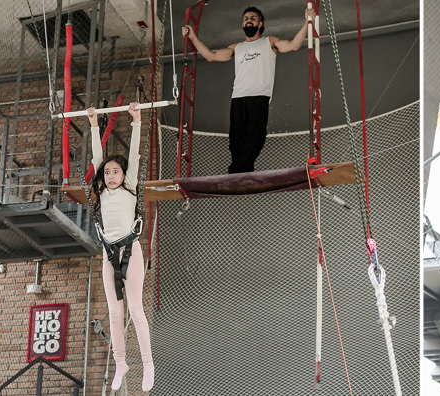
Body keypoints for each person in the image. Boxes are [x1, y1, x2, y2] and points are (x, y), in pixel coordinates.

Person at [182, 6, 315, 173]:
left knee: (255, 136)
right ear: (242, 24)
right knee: (236, 140)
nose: (248, 20)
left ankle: (237, 171)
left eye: (253, 18)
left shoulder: (270, 42)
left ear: (260, 24)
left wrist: (307, 22)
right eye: (245, 18)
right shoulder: (236, 47)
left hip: (259, 96)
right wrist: (192, 37)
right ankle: (243, 171)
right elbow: (210, 56)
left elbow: (294, 46)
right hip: (238, 97)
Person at [86, 103, 154, 391]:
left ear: (124, 174)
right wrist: (93, 124)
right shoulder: (102, 191)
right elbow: (97, 157)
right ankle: (120, 362)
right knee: (115, 312)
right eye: (107, 173)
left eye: (116, 171)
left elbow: (135, 155)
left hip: (130, 251)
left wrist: (136, 121)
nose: (111, 175)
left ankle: (149, 364)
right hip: (108, 254)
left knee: (135, 310)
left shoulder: (130, 186)